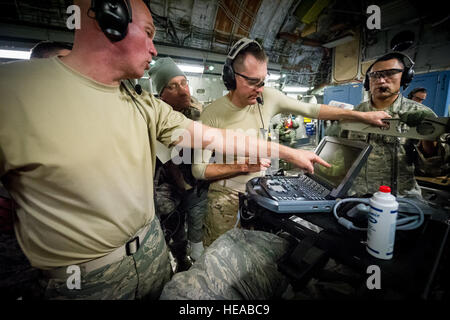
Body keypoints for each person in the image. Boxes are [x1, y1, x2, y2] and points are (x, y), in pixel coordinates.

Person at [0, 0, 330, 300]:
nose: (154, 48)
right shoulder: (14, 90)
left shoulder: (140, 102)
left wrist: (287, 153)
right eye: (147, 32)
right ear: (110, 18)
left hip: (154, 256)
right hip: (86, 282)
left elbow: (211, 137)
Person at [191, 38, 391, 246]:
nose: (259, 89)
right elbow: (199, 170)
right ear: (231, 76)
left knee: (250, 254)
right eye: (252, 82)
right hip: (225, 198)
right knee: (218, 255)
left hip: (258, 195)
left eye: (262, 81)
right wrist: (242, 166)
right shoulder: (211, 114)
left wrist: (362, 116)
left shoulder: (267, 97)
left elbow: (313, 110)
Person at [329, 52, 439, 197]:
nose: (381, 80)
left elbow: (433, 169)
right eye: (375, 75)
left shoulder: (419, 113)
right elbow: (339, 159)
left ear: (404, 77)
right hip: (356, 196)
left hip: (401, 199)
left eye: (390, 73)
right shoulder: (356, 113)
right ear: (368, 82)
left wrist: (428, 136)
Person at [148, 57, 208, 270]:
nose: (183, 91)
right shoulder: (155, 116)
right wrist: (184, 188)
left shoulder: (197, 110)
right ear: (161, 95)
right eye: (172, 86)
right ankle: (179, 258)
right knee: (170, 219)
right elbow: (170, 162)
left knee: (197, 218)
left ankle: (194, 254)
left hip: (193, 176)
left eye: (184, 83)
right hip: (166, 182)